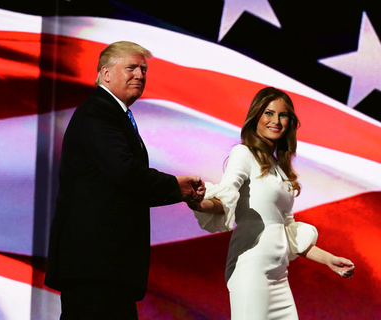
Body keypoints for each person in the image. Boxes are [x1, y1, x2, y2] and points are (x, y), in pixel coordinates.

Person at [44, 41, 205, 319]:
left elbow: (125, 185)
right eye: (131, 67)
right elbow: (125, 172)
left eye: (143, 70)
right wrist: (175, 186)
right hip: (94, 266)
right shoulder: (98, 111)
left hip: (108, 269)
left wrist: (177, 192)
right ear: (106, 73)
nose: (140, 75)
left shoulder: (116, 116)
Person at [192, 87, 355, 319]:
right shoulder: (243, 154)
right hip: (251, 269)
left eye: (283, 115)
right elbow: (225, 197)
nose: (276, 121)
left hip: (279, 275)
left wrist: (329, 260)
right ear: (256, 116)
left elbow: (289, 231)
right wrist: (198, 203)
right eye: (269, 113)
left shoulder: (279, 168)